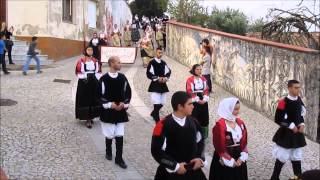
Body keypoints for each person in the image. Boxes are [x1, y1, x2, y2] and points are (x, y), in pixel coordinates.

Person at [151, 91, 207, 180]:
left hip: (193, 172)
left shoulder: (194, 122)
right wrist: (175, 166)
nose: (193, 106)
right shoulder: (163, 125)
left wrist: (200, 159)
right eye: (190, 104)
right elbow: (156, 151)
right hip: (170, 174)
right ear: (180, 106)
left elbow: (201, 142)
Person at [97, 56, 132, 169]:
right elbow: (99, 95)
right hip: (108, 111)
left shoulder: (122, 78)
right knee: (109, 134)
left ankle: (119, 158)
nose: (120, 64)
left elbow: (128, 92)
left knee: (119, 134)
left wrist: (124, 103)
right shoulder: (104, 79)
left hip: (120, 111)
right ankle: (108, 151)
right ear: (112, 64)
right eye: (118, 62)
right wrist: (109, 104)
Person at [270, 80, 307, 180]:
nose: (298, 90)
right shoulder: (283, 102)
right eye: (296, 88)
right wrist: (291, 126)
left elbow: (300, 115)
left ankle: (298, 177)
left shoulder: (299, 99)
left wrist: (302, 124)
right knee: (282, 157)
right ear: (289, 88)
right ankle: (274, 177)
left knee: (296, 157)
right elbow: (278, 119)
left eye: (299, 87)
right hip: (286, 134)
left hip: (297, 134)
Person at [209, 97, 248, 180]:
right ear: (228, 109)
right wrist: (229, 160)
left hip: (238, 156)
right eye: (235, 109)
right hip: (225, 156)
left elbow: (244, 141)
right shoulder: (219, 126)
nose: (238, 111)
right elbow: (219, 146)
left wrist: (242, 156)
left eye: (238, 109)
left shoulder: (240, 123)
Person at [75, 46, 102, 128]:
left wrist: (96, 78)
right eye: (88, 49)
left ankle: (92, 116)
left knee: (94, 98)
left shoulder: (95, 60)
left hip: (93, 81)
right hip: (84, 81)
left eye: (91, 50)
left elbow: (99, 71)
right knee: (85, 99)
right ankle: (87, 118)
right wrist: (85, 77)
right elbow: (78, 72)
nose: (90, 51)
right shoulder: (81, 61)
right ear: (85, 51)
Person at [146, 47, 171, 123]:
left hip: (163, 85)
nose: (160, 54)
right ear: (155, 53)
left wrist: (166, 78)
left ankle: (154, 113)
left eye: (161, 52)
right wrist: (157, 78)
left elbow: (168, 71)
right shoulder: (152, 62)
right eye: (159, 52)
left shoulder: (163, 62)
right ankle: (157, 120)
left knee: (162, 102)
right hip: (155, 85)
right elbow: (148, 73)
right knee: (156, 103)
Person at [186, 64, 210, 139]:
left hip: (203, 99)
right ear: (193, 70)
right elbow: (189, 91)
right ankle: (193, 133)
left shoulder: (203, 79)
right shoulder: (190, 80)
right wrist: (197, 100)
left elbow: (206, 89)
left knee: (204, 116)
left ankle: (203, 134)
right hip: (194, 100)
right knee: (194, 116)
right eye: (197, 69)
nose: (199, 71)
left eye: (200, 69)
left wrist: (205, 98)